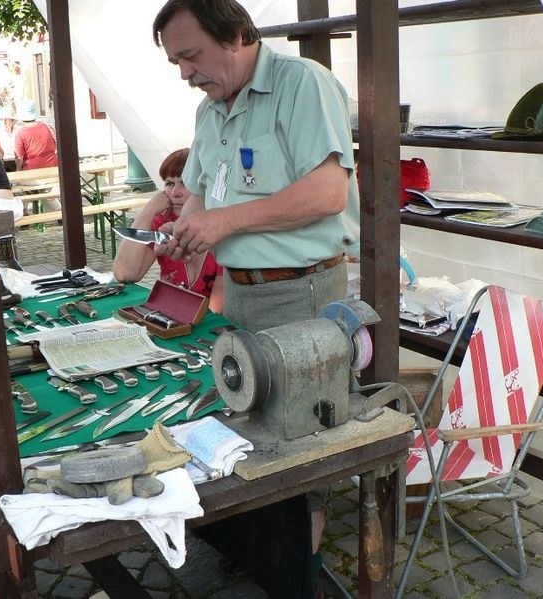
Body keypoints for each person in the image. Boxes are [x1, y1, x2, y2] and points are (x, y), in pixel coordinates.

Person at [153, 1, 360, 596]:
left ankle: (301, 573)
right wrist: (189, 229)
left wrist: (224, 223)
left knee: (303, 440)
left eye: (191, 55)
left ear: (235, 35)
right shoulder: (209, 110)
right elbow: (199, 192)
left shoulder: (302, 84)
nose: (186, 73)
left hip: (300, 292)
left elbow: (327, 192)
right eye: (176, 62)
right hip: (241, 295)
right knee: (246, 424)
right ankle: (264, 551)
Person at [113, 148, 224, 313]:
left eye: (185, 183)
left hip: (205, 321)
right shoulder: (163, 222)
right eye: (169, 183)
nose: (174, 193)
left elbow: (217, 309)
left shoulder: (221, 228)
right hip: (171, 316)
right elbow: (125, 273)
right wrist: (149, 210)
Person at [13, 98, 58, 171]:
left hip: (32, 170)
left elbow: (19, 158)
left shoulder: (20, 133)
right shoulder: (48, 126)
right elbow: (55, 145)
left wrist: (19, 169)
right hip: (53, 166)